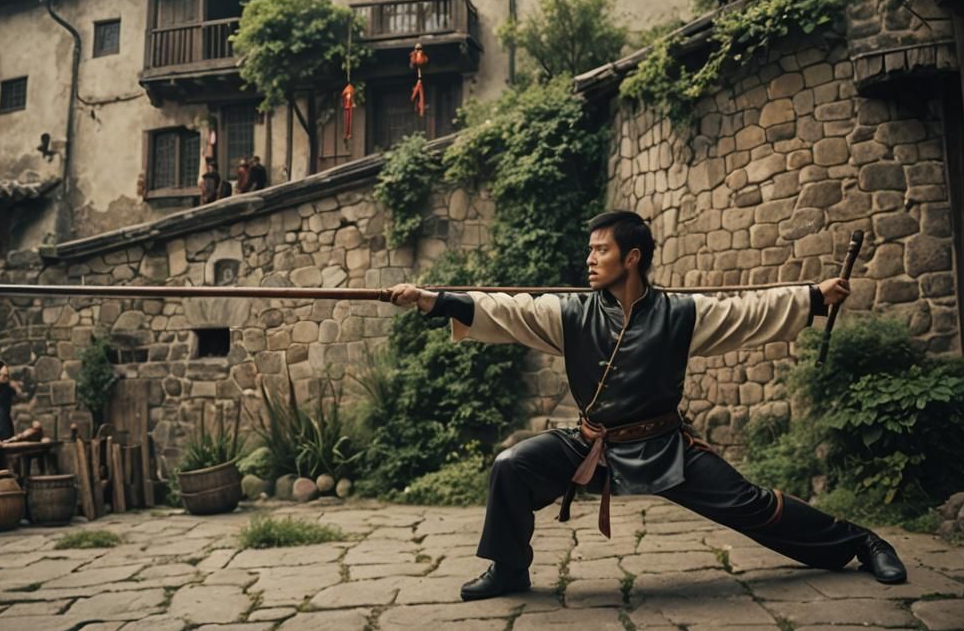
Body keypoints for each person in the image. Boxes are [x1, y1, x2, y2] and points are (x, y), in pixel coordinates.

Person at [388, 210, 907, 601]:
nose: (589, 260)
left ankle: (861, 544)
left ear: (632, 257)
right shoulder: (568, 314)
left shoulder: (682, 315)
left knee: (750, 504)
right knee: (512, 465)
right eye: (588, 251)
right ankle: (509, 568)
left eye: (600, 250)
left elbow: (749, 311)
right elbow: (504, 309)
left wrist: (815, 296)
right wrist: (432, 300)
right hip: (591, 443)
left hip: (664, 446)